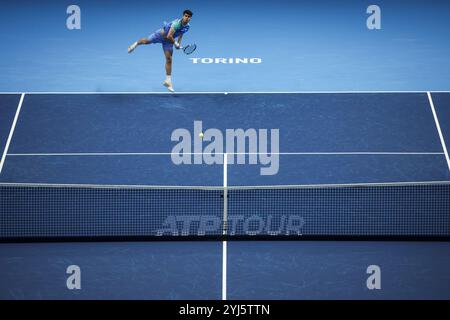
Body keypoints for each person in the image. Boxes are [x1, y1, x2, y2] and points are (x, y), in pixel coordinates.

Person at [128, 10, 193, 92]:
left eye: (189, 17)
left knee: (169, 59)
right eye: (186, 16)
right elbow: (169, 35)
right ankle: (135, 44)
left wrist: (178, 44)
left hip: (169, 42)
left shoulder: (187, 27)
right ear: (183, 16)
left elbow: (181, 34)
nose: (187, 18)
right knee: (146, 41)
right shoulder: (177, 24)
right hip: (160, 35)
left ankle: (168, 81)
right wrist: (175, 43)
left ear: (190, 18)